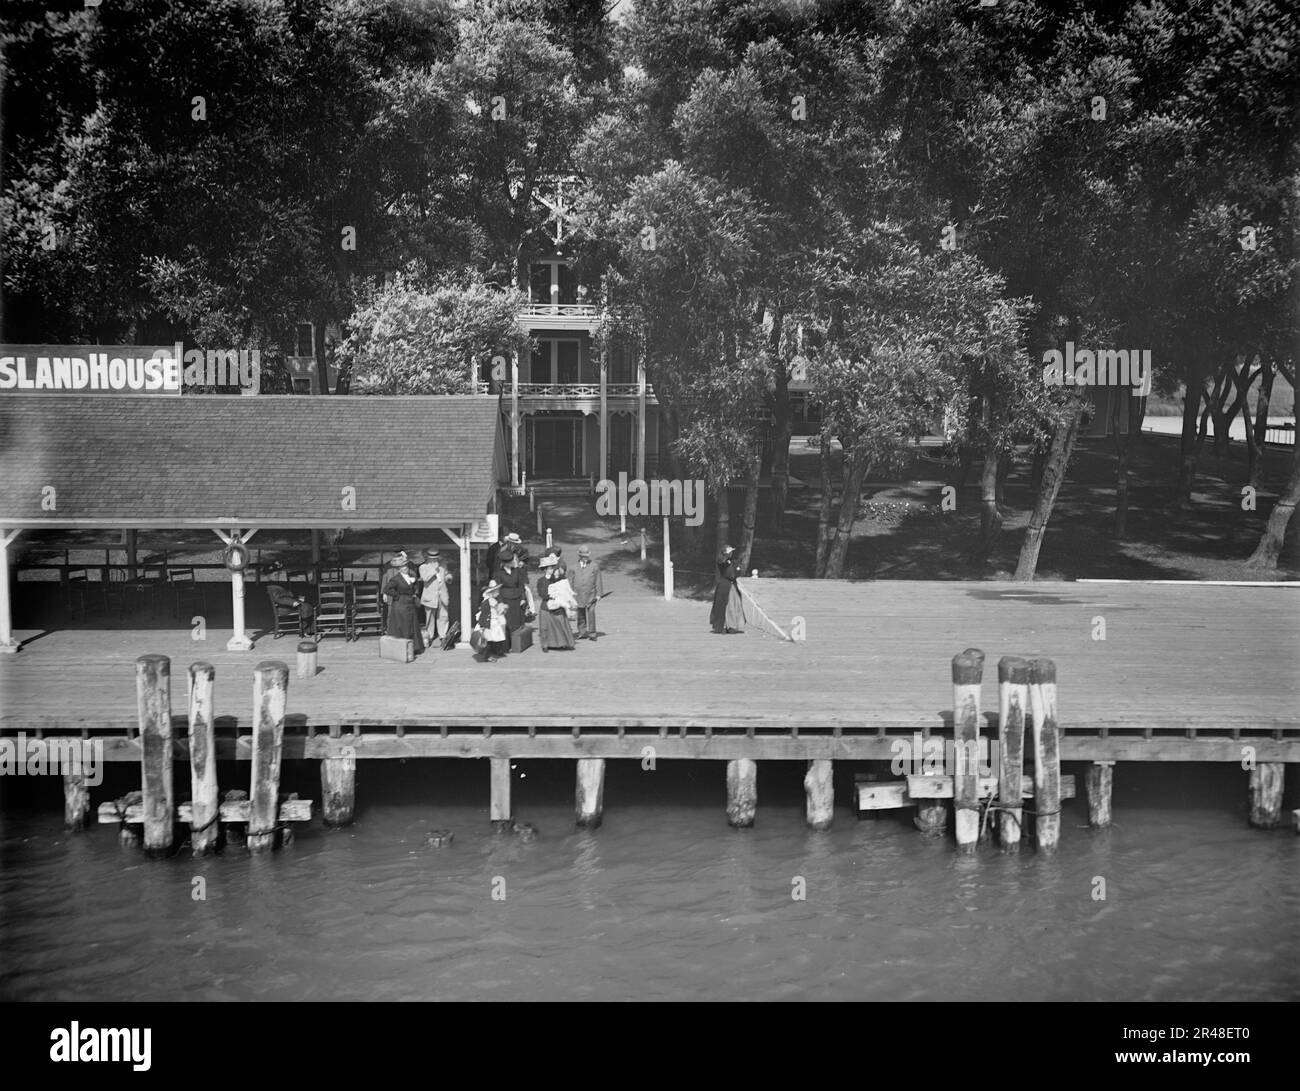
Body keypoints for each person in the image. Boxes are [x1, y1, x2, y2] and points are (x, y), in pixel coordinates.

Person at [384, 558, 425, 654]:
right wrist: (397, 595)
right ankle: (403, 648)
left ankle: (414, 647)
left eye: (406, 566)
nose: (405, 568)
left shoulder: (410, 576)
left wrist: (414, 583)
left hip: (410, 604)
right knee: (403, 625)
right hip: (400, 605)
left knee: (412, 625)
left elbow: (413, 589)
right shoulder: (396, 579)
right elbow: (386, 589)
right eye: (402, 567)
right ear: (399, 569)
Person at [535, 555, 576, 651]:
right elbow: (542, 594)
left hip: (558, 605)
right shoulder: (541, 580)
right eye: (549, 568)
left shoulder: (557, 578)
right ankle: (545, 645)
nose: (552, 570)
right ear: (545, 569)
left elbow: (563, 587)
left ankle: (563, 643)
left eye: (552, 567)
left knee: (561, 624)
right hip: (546, 606)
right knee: (545, 627)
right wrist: (552, 595)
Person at [494, 549, 529, 653]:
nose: (511, 563)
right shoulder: (498, 574)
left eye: (511, 561)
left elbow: (521, 585)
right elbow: (497, 589)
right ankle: (505, 646)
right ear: (504, 563)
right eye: (509, 561)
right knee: (507, 623)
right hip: (505, 600)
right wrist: (500, 602)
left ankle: (517, 645)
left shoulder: (517, 571)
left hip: (517, 599)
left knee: (517, 622)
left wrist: (523, 598)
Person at [264, 562, 315, 634]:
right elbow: (279, 599)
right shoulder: (271, 587)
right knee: (305, 607)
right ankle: (305, 630)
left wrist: (300, 598)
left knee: (308, 602)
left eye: (278, 574)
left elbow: (288, 594)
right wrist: (294, 603)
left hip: (288, 603)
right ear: (268, 576)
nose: (277, 576)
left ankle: (310, 629)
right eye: (275, 574)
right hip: (283, 607)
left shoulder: (277, 583)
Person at [418, 548, 453, 645]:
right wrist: (434, 570)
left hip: (442, 594)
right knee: (430, 617)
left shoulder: (443, 565)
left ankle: (443, 635)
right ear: (428, 558)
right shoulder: (423, 567)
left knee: (443, 616)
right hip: (430, 596)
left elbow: (446, 575)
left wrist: (448, 577)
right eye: (432, 559)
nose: (434, 560)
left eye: (436, 558)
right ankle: (430, 636)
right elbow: (425, 578)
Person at [571, 545, 604, 641]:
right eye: (583, 556)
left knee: (591, 612)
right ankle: (582, 632)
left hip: (591, 594)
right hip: (578, 594)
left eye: (587, 556)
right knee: (580, 613)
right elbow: (570, 582)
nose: (585, 558)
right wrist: (570, 594)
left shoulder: (594, 566)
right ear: (580, 556)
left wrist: (599, 594)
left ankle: (592, 633)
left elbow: (598, 580)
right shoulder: (573, 567)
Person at [710, 545, 744, 634]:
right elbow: (721, 561)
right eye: (730, 552)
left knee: (736, 605)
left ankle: (734, 625)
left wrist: (738, 567)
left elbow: (736, 570)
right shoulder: (722, 560)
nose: (731, 553)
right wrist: (726, 555)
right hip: (724, 585)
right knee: (725, 606)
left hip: (732, 585)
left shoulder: (732, 561)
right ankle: (724, 626)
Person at [475, 581, 508, 662]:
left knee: (494, 640)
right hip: (490, 623)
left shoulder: (493, 600)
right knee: (489, 640)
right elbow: (485, 614)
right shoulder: (489, 601)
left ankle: (493, 654)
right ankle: (488, 656)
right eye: (496, 590)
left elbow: (498, 611)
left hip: (494, 622)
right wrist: (483, 625)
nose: (498, 592)